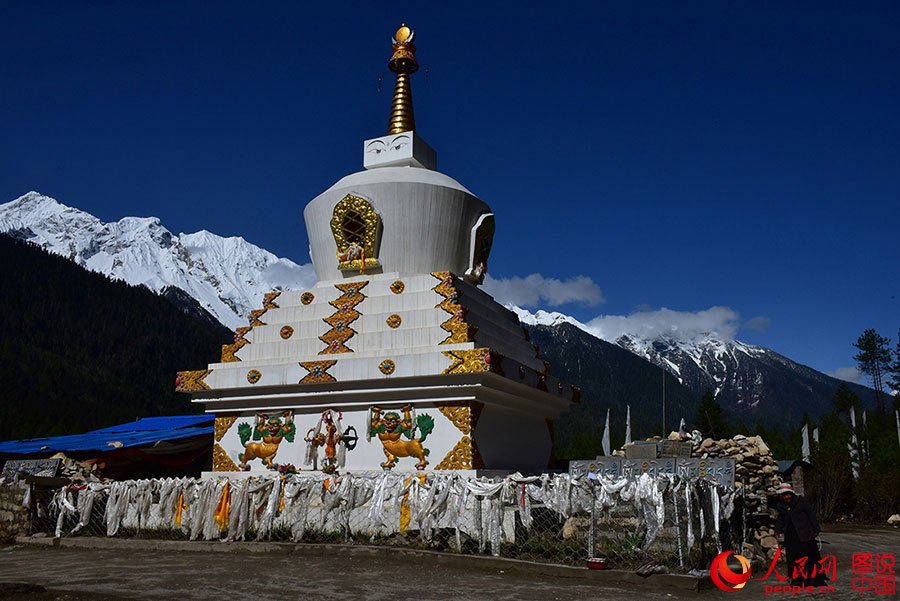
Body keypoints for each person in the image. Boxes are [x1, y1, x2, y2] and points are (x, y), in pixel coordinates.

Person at [774, 482, 827, 586]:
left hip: (805, 533)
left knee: (810, 557)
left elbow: (811, 514)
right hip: (791, 535)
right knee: (793, 558)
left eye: (788, 494)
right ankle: (796, 579)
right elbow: (781, 519)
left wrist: (816, 528)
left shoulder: (801, 502)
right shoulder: (781, 505)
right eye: (784, 495)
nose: (787, 497)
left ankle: (814, 579)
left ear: (791, 493)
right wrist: (777, 530)